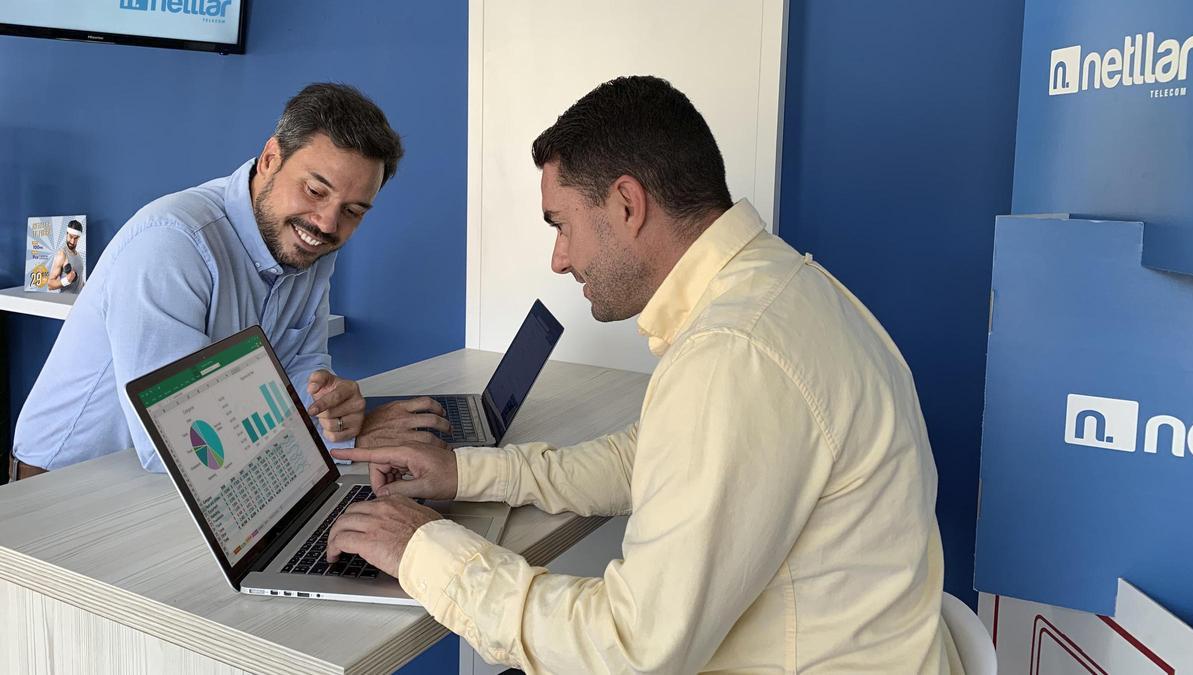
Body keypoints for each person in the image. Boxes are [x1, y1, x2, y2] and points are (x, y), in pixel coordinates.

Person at [326, 76, 962, 673]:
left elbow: (633, 651)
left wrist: (425, 549)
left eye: (562, 226)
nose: (559, 258)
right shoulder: (780, 288)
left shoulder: (734, 351)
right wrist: (465, 472)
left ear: (628, 204)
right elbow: (649, 457)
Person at [10, 83, 448, 481]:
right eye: (315, 191)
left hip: (176, 479)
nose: (328, 223)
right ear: (272, 157)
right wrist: (346, 446)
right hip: (68, 480)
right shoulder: (172, 243)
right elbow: (179, 438)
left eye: (353, 210)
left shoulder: (310, 242)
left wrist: (334, 411)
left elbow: (301, 372)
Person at [46, 219, 85, 292]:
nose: (72, 241)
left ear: (79, 238)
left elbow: (80, 281)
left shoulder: (79, 256)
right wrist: (66, 280)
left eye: (75, 238)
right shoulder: (62, 255)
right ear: (67, 234)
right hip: (66, 301)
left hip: (78, 300)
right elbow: (50, 285)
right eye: (70, 236)